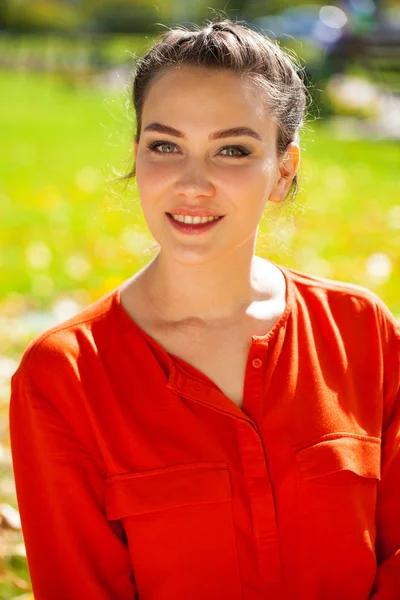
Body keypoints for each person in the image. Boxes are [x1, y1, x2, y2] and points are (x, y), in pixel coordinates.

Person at [9, 18, 399, 600]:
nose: (192, 182)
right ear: (137, 154)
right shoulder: (64, 375)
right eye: (165, 145)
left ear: (282, 172)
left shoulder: (360, 331)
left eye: (233, 150)